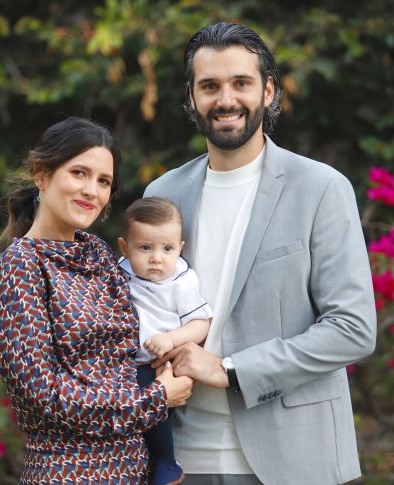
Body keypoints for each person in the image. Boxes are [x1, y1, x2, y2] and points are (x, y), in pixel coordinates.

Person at [145, 23, 377, 484]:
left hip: (295, 461)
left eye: (241, 83)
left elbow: (353, 329)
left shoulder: (321, 188)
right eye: (209, 86)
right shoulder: (163, 193)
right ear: (191, 98)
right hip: (183, 462)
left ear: (269, 91)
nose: (225, 99)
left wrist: (230, 370)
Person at [0, 116, 194, 484]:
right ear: (42, 174)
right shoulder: (22, 264)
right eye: (79, 173)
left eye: (103, 182)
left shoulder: (98, 254)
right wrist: (156, 400)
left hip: (134, 470)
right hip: (69, 472)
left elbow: (134, 347)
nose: (91, 191)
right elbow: (44, 394)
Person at [116, 197, 213, 485]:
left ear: (180, 248)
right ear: (125, 248)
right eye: (145, 248)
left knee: (152, 404)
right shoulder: (120, 271)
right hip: (120, 362)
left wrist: (171, 339)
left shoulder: (181, 281)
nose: (157, 258)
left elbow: (200, 323)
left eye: (167, 248)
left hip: (156, 363)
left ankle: (166, 462)